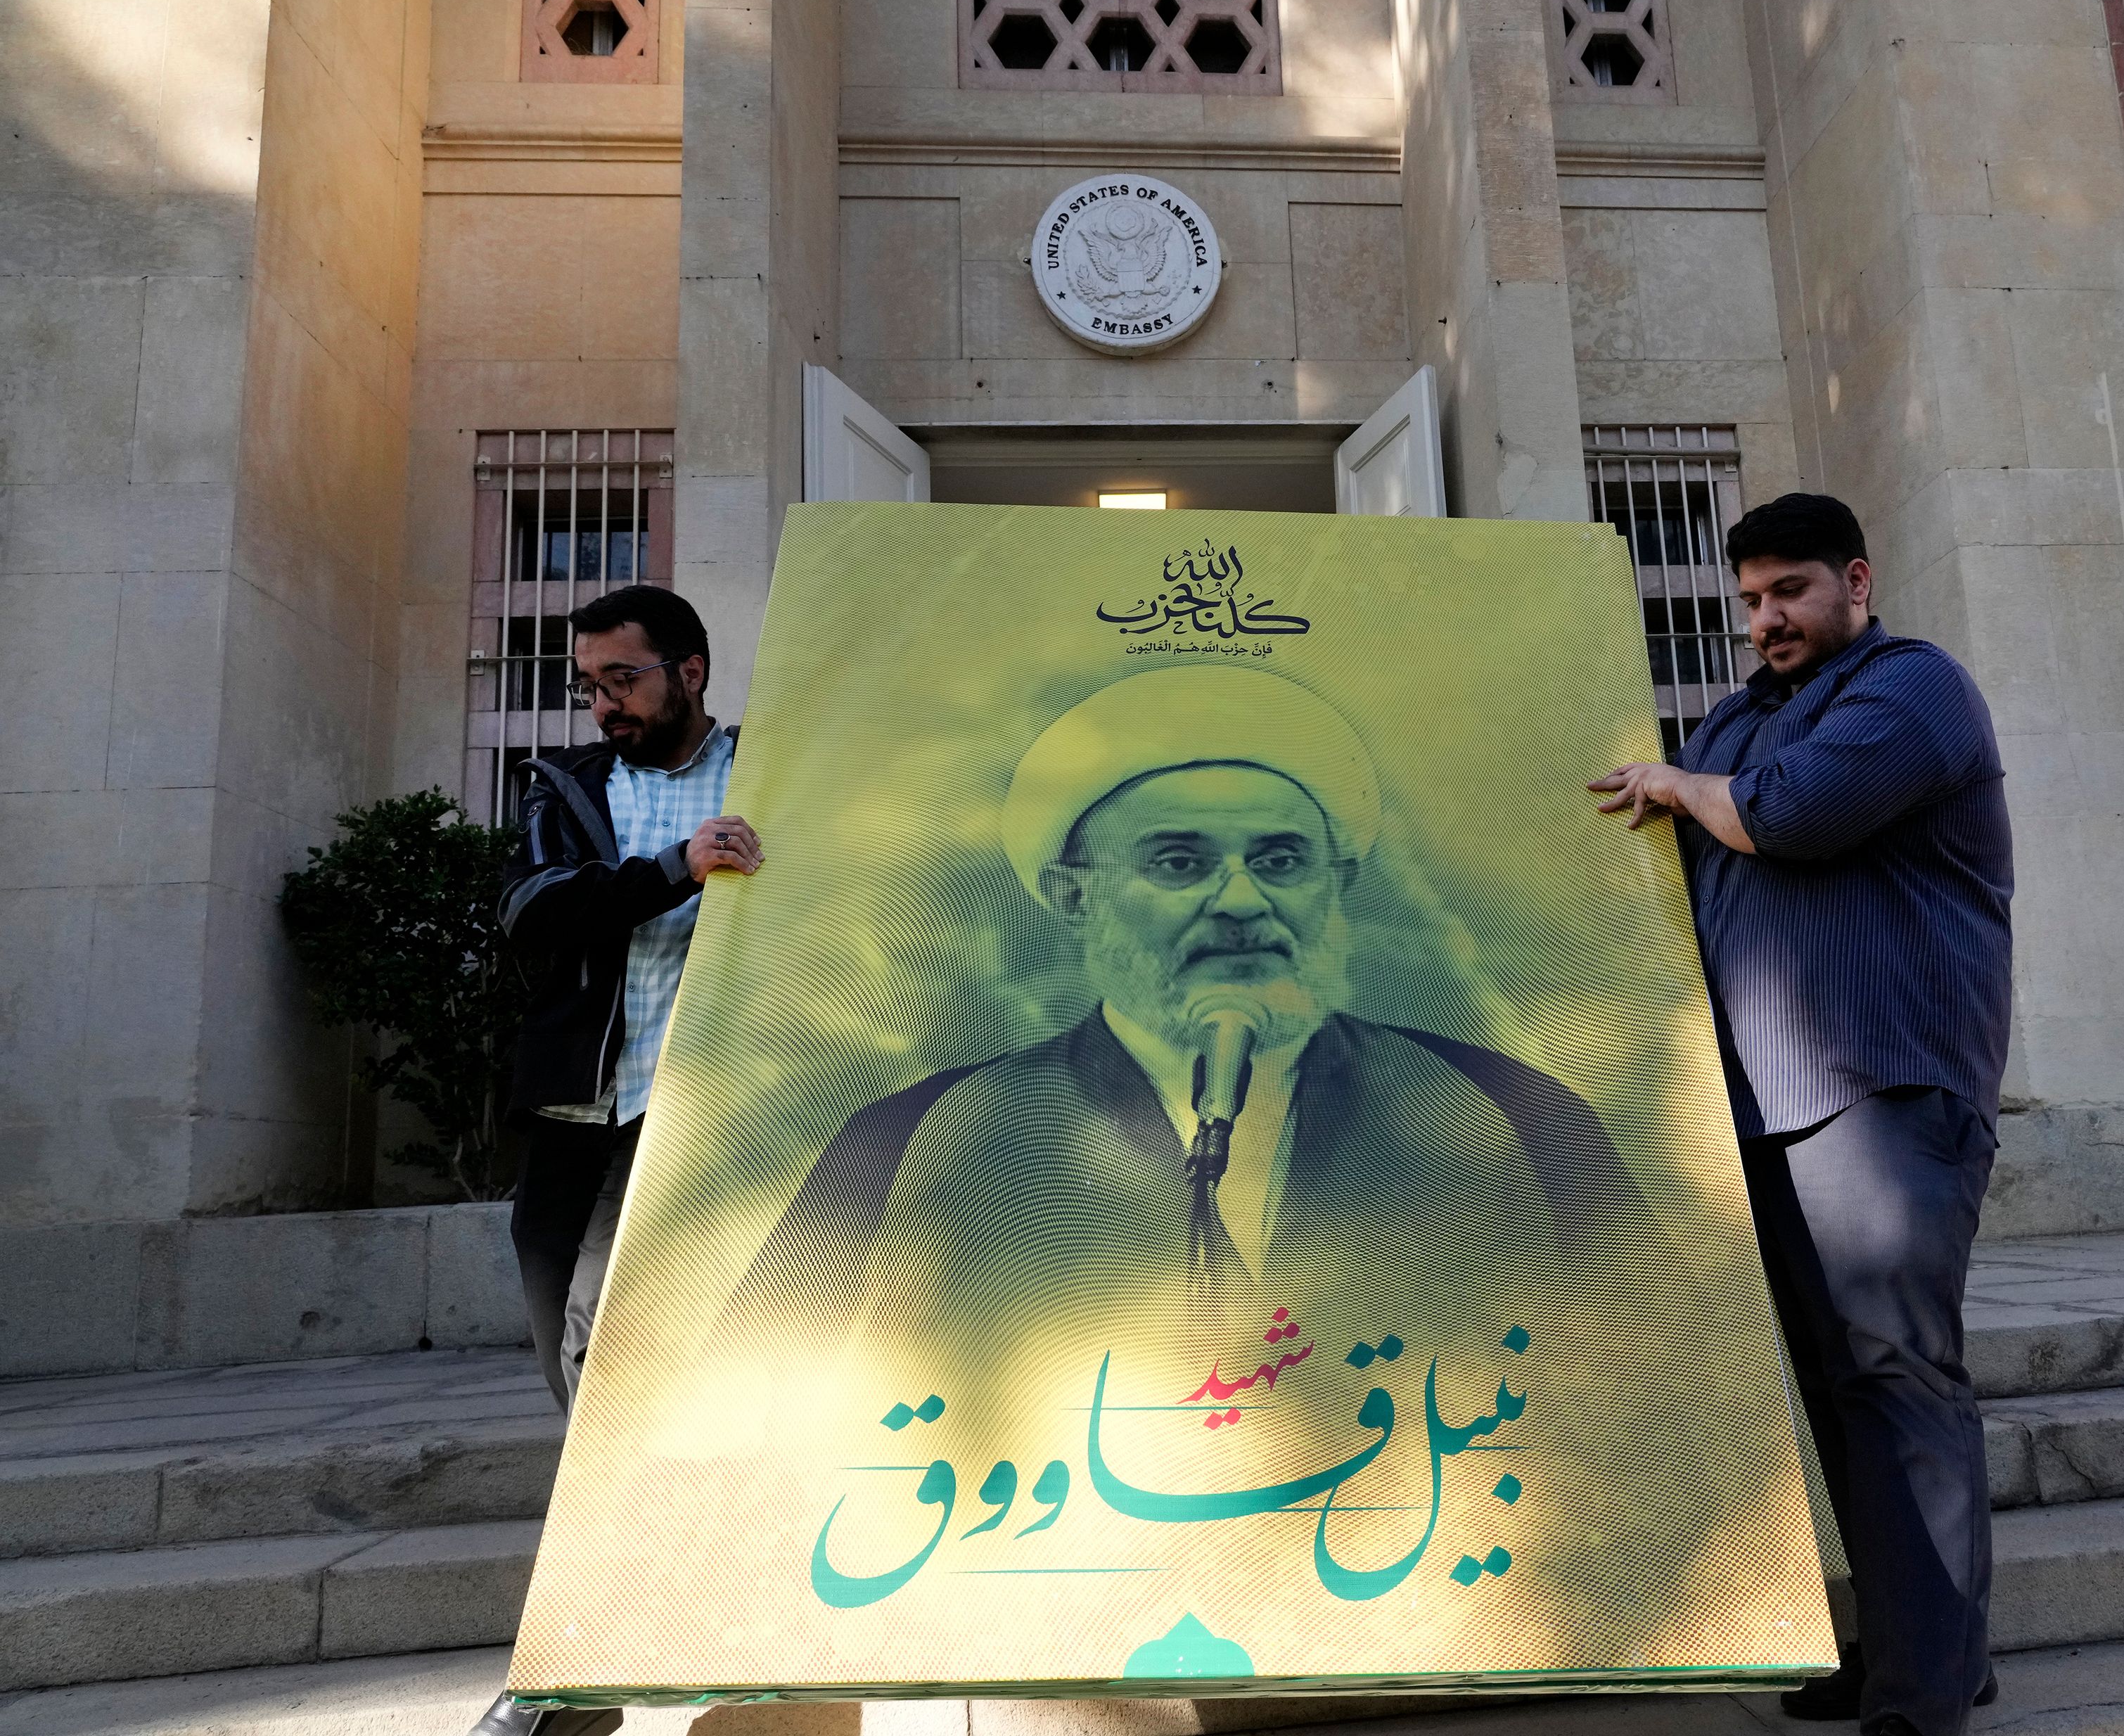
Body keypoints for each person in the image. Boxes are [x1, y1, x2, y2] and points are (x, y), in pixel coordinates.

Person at [708, 665, 1637, 1367]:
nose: (1240, 903)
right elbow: (746, 1418)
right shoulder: (911, 1141)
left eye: (1278, 863)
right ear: (1076, 899)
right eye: (1180, 864)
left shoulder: (1516, 1116)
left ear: (1336, 888)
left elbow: (1674, 1379)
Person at [1589, 494, 2012, 1736]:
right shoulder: (1737, 719)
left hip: (1882, 1088)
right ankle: (1913, 1647)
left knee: (1896, 1374)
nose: (1767, 618)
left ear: (1858, 581)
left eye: (1792, 592)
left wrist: (1684, 782)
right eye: (1752, 599)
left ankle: (1925, 1695)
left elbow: (1792, 816)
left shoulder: (1914, 687)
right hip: (1767, 1103)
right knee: (1834, 1383)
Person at [470, 585, 760, 1736]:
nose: (602, 704)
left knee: (617, 1376)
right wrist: (672, 872)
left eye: (623, 680)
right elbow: (532, 911)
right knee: (572, 1366)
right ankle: (648, 1618)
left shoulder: (772, 769)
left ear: (690, 670)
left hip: (710, 1126)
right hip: (575, 1116)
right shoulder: (567, 791)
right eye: (589, 684)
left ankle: (582, 1667)